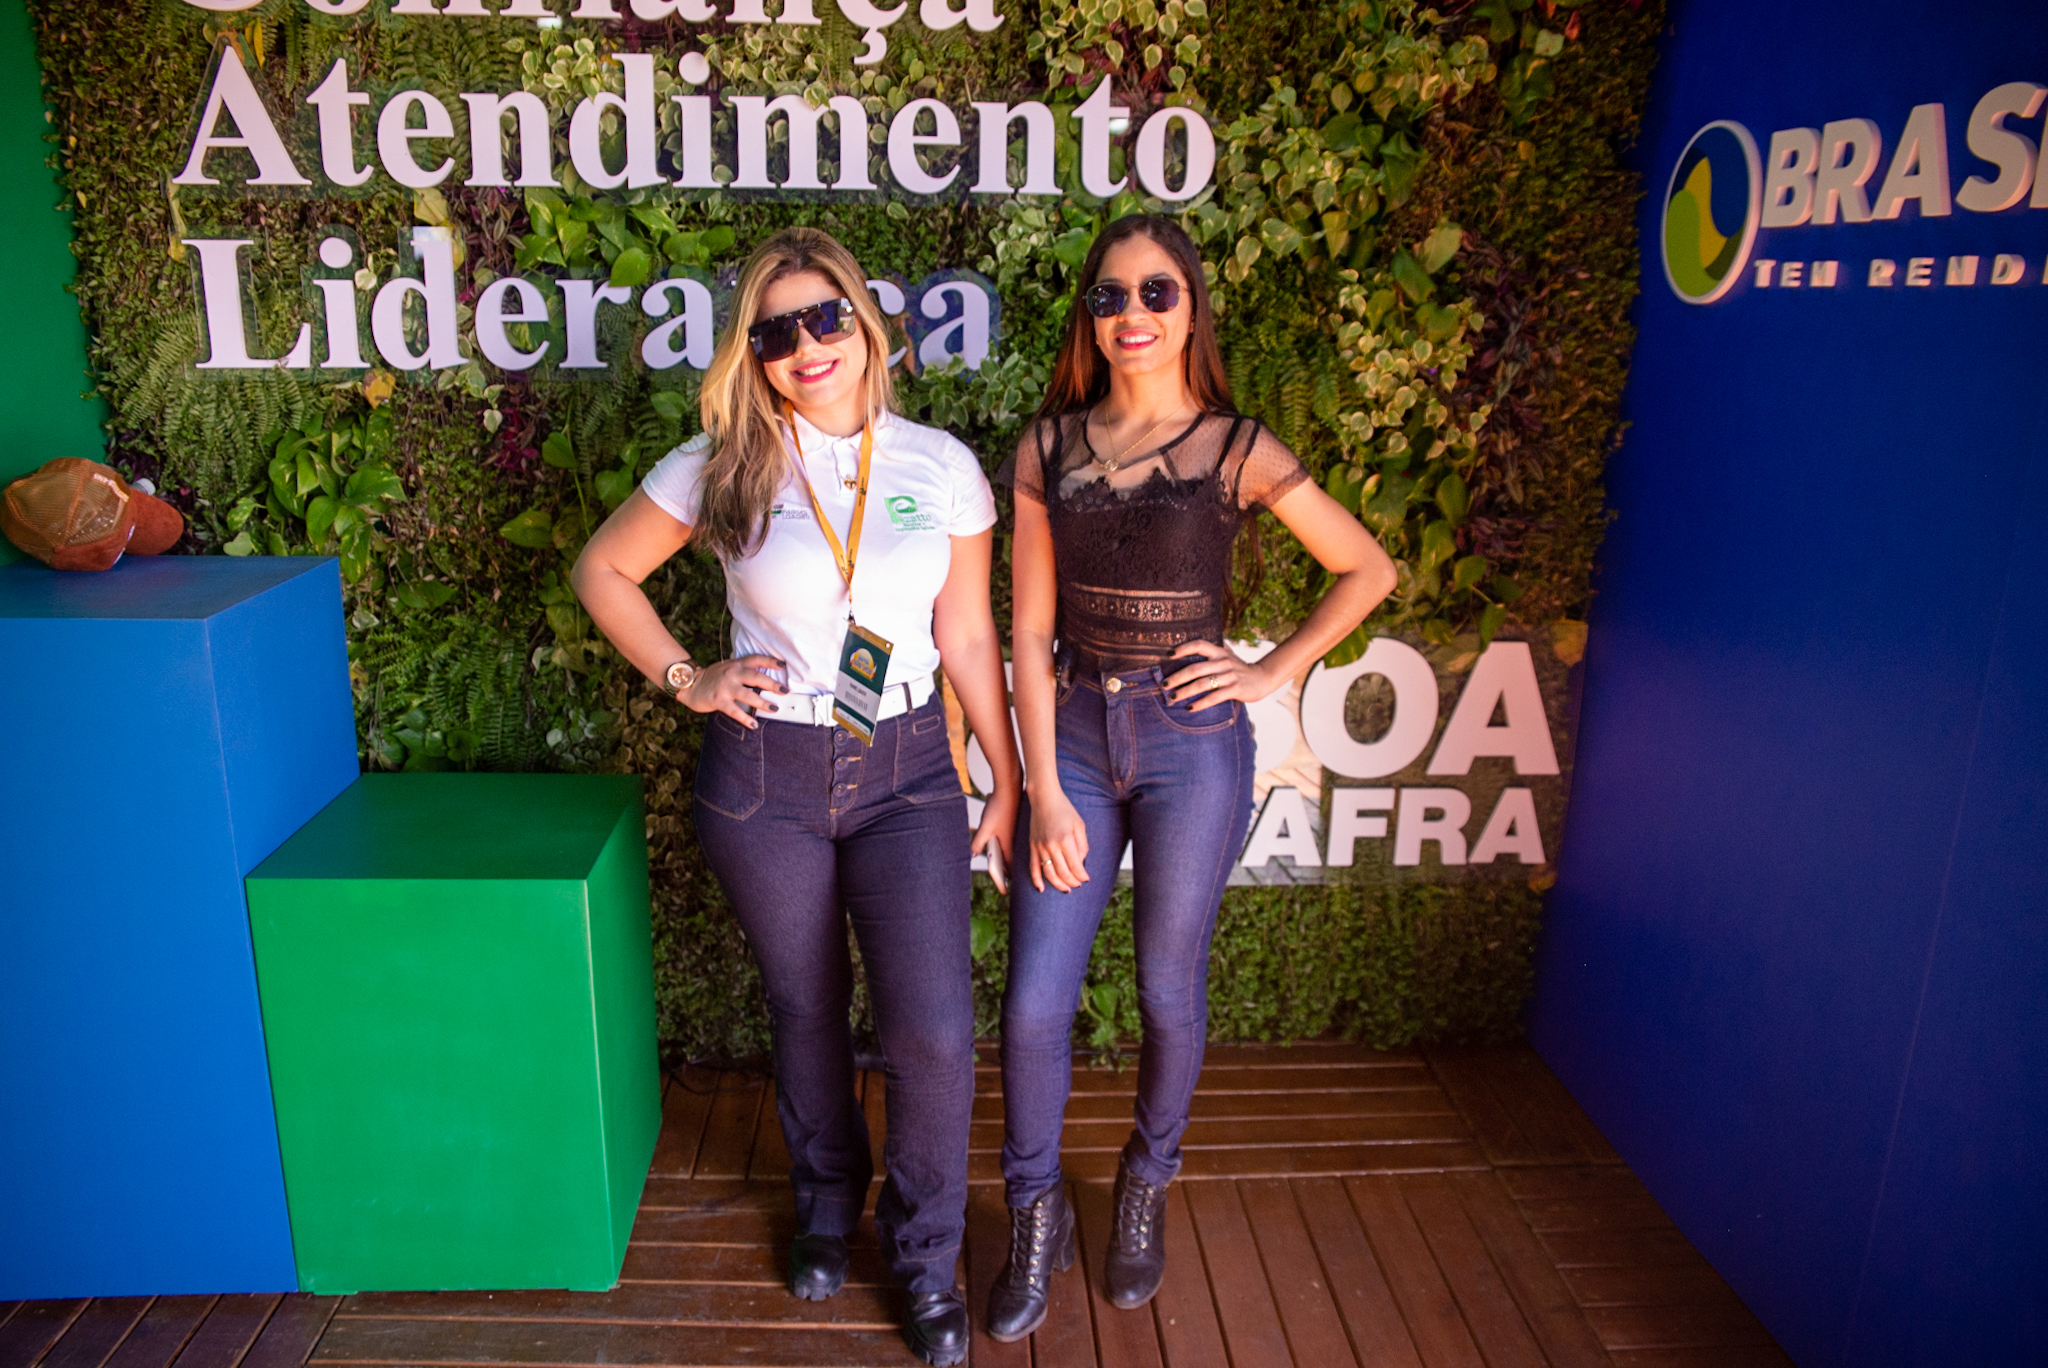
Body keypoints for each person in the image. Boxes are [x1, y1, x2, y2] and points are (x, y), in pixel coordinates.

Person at [573, 227, 1019, 1368]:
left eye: (826, 317)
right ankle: (826, 1203)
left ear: (866, 325)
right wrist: (690, 678)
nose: (806, 345)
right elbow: (602, 571)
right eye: (776, 331)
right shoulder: (722, 463)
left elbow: (969, 634)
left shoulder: (940, 466)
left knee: (931, 1032)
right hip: (767, 770)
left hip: (908, 766)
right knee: (807, 1005)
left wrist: (1006, 774)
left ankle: (924, 1256)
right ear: (753, 353)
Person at [986, 214, 1397, 1339]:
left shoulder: (1236, 448)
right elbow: (1028, 633)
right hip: (1073, 735)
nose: (1132, 314)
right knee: (1033, 1004)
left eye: (1155, 293)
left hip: (1190, 743)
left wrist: (1268, 671)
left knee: (1168, 990)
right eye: (1110, 296)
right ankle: (1032, 1211)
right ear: (1089, 318)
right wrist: (1042, 786)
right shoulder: (1044, 449)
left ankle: (1144, 1182)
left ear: (1190, 309)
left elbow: (1366, 568)